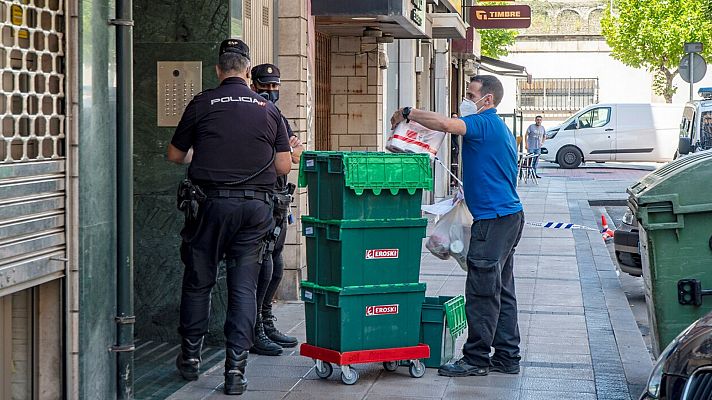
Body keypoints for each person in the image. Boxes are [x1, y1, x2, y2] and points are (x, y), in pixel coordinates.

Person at [167, 39, 292, 395]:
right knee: (243, 288)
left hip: (209, 206)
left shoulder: (202, 103)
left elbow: (175, 155)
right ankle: (235, 373)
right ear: (248, 72)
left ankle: (190, 358)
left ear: (219, 70)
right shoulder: (268, 110)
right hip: (254, 210)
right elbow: (284, 164)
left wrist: (203, 154)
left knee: (198, 281)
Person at [390, 75, 525, 378]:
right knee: (501, 288)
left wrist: (408, 113)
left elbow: (448, 125)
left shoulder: (485, 122)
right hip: (506, 217)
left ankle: (476, 359)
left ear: (487, 100)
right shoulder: (495, 127)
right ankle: (507, 356)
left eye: (470, 93)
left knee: (482, 290)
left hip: (495, 220)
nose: (465, 99)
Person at [249, 63, 303, 356]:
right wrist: (282, 153)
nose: (271, 91)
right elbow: (277, 156)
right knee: (262, 263)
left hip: (278, 199)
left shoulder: (277, 116)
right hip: (258, 198)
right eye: (265, 86)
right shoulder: (253, 114)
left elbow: (296, 153)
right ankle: (255, 325)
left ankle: (266, 320)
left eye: (274, 86)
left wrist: (287, 152)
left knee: (276, 262)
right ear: (252, 84)